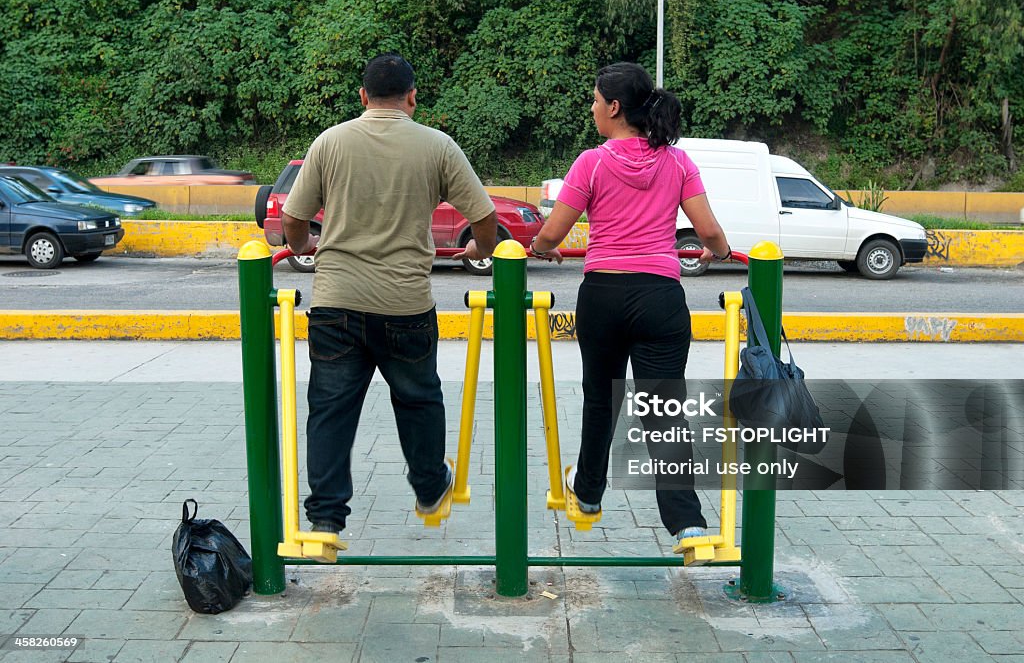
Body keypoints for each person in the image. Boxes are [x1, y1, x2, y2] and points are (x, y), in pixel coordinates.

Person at [282, 53, 498, 537]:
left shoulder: (330, 142)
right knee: (419, 398)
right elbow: (485, 220)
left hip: (336, 300)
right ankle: (428, 487)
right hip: (405, 302)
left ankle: (325, 521)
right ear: (413, 97)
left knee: (331, 408)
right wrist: (479, 252)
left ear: (362, 97)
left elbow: (294, 220)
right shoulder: (437, 146)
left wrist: (305, 248)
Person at [529, 62, 732, 552]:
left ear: (615, 108)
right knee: (663, 409)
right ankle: (687, 526)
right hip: (659, 297)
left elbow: (553, 233)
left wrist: (538, 247)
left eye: (596, 101)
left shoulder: (591, 162)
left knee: (602, 399)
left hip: (603, 295)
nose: (592, 108)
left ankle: (590, 494)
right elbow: (707, 231)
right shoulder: (677, 162)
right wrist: (720, 253)